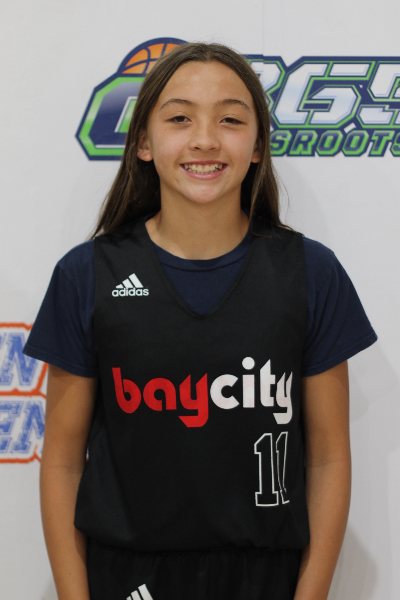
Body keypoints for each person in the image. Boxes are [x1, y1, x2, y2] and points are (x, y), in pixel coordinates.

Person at [23, 42, 377, 600]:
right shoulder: (86, 274)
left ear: (257, 145)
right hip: (127, 578)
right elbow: (64, 463)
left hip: (267, 578)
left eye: (231, 119)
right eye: (180, 118)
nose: (206, 139)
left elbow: (329, 457)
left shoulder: (311, 272)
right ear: (143, 142)